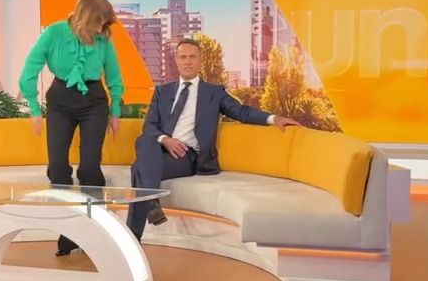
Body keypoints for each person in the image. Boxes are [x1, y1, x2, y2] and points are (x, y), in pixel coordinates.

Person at [127, 38, 300, 239]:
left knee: (139, 168)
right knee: (145, 140)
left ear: (201, 60)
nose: (187, 62)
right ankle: (150, 205)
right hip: (159, 150)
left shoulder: (214, 93)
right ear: (176, 60)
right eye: (183, 57)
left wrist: (273, 118)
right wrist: (166, 140)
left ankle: (134, 235)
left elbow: (241, 112)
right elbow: (149, 126)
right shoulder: (162, 92)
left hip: (186, 157)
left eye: (192, 57)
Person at [19, 0, 124, 255]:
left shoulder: (103, 39)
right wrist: (34, 109)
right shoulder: (54, 33)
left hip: (94, 101)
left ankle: (96, 230)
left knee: (89, 167)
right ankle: (68, 230)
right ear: (86, 18)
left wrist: (115, 112)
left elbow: (114, 75)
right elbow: (30, 68)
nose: (101, 29)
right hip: (61, 100)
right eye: (99, 23)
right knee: (57, 167)